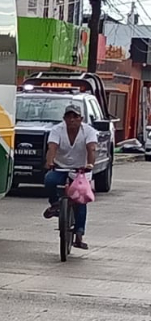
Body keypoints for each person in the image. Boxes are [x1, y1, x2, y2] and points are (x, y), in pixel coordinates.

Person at [43, 102, 98, 249]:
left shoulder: (89, 131)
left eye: (75, 116)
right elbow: (52, 147)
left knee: (81, 200)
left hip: (81, 170)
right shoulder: (57, 130)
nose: (72, 119)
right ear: (64, 118)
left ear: (81, 118)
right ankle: (55, 204)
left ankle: (79, 234)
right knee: (49, 179)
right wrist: (50, 162)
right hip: (60, 167)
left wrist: (90, 165)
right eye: (69, 116)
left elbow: (91, 148)